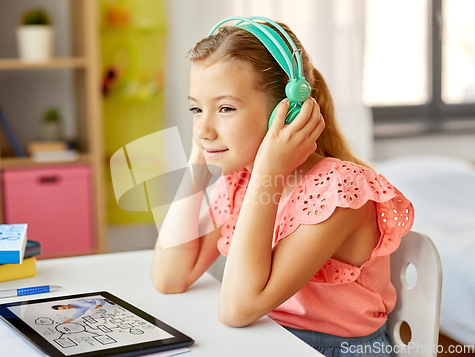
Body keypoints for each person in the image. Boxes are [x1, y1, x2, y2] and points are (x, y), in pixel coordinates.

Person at [151, 16, 413, 357]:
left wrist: (268, 171)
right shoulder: (242, 181)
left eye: (225, 108)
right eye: (196, 109)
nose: (203, 127)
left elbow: (237, 309)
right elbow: (169, 277)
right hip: (270, 341)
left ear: (286, 113)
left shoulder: (340, 190)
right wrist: (196, 161)